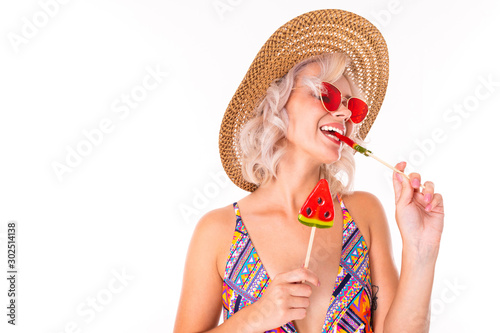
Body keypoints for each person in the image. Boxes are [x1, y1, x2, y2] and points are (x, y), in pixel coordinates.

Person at [174, 9, 444, 333]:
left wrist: (420, 249)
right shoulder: (217, 232)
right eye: (325, 95)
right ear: (276, 103)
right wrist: (254, 318)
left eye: (350, 104)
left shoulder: (364, 214)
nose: (344, 111)